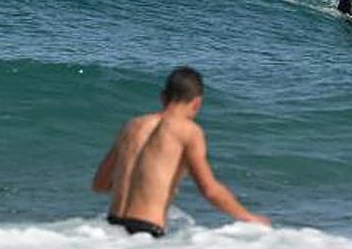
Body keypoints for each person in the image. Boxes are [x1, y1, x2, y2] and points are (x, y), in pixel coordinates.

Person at [91, 67, 271, 237]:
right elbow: (209, 190)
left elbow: (99, 184)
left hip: (112, 228)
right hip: (145, 231)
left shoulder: (132, 126)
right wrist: (248, 217)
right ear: (196, 103)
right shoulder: (189, 131)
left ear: (163, 97)